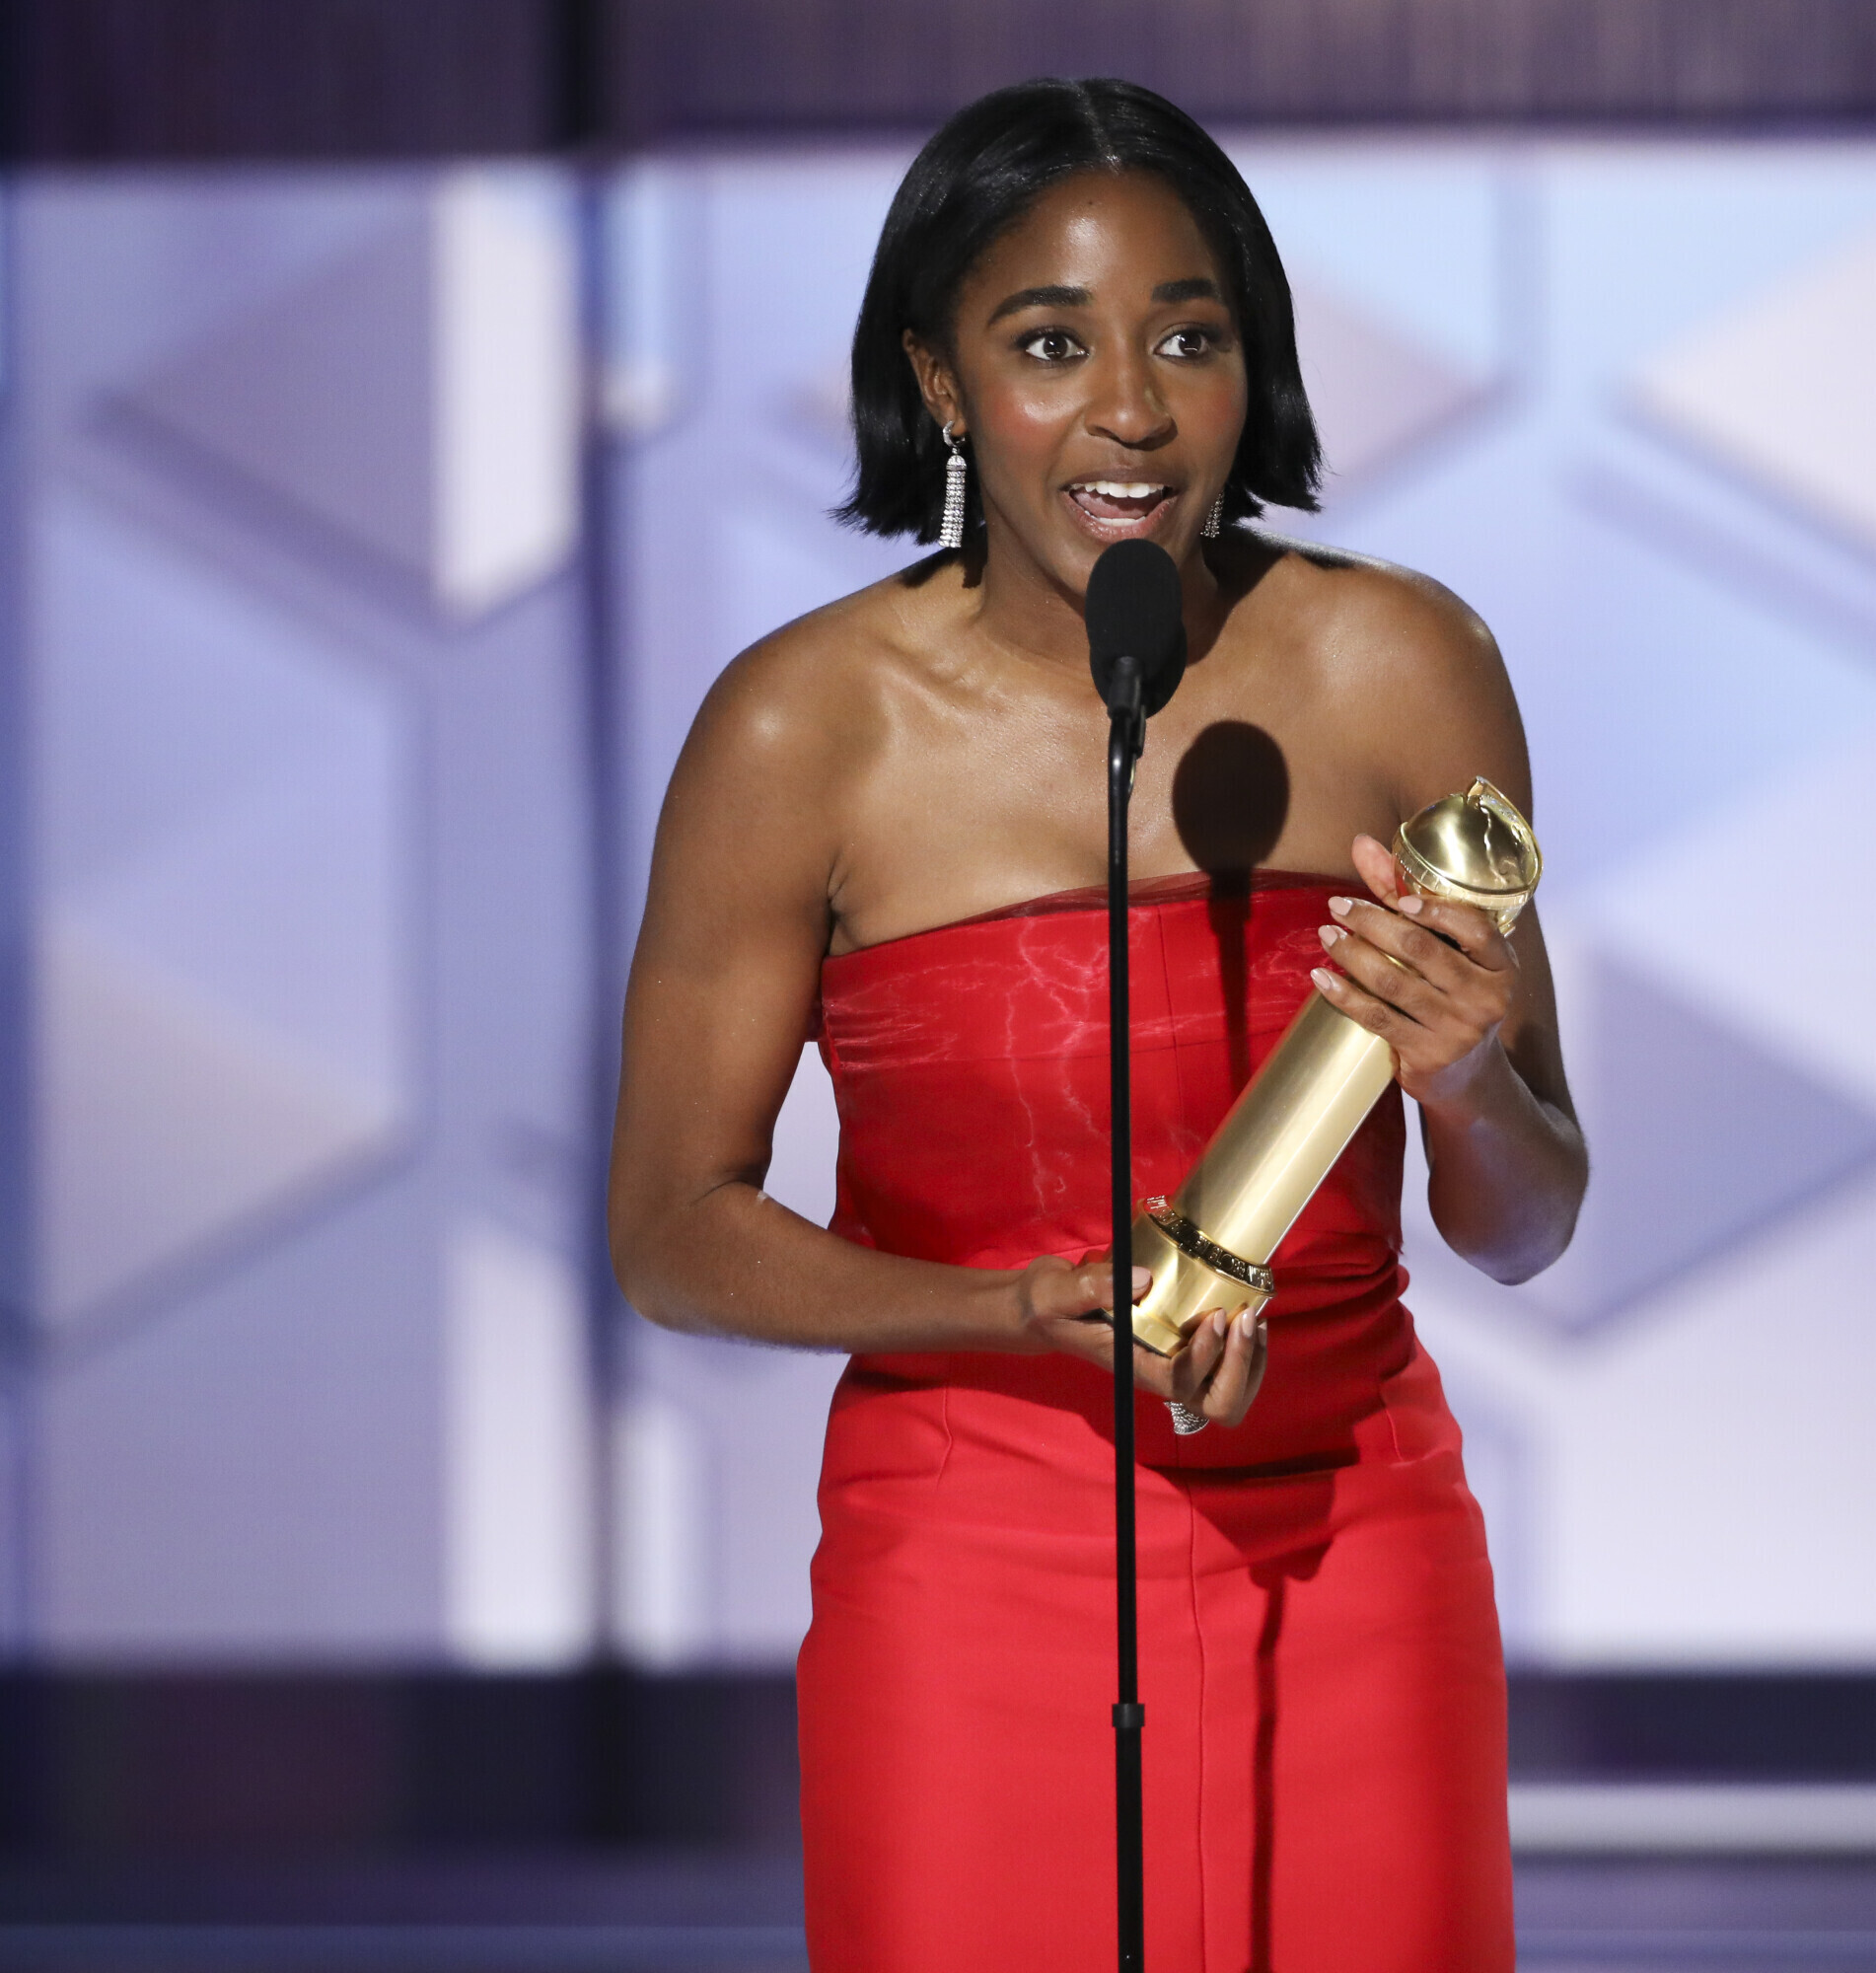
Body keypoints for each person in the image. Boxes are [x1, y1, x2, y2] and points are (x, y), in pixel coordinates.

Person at [608, 76, 1585, 1973]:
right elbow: (669, 1231)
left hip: (1352, 1548)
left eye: (1188, 338)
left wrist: (1466, 1076)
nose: (1128, 408)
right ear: (943, 382)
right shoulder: (801, 728)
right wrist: (1002, 1309)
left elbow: (1531, 1221)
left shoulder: (1402, 664)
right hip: (969, 1559)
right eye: (1049, 343)